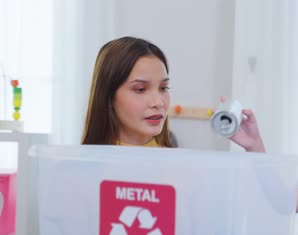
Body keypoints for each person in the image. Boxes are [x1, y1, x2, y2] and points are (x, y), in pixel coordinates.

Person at [80, 36, 262, 151]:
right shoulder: (80, 170)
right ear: (109, 97)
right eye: (141, 89)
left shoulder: (177, 165)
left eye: (163, 88)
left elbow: (274, 204)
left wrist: (254, 146)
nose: (158, 102)